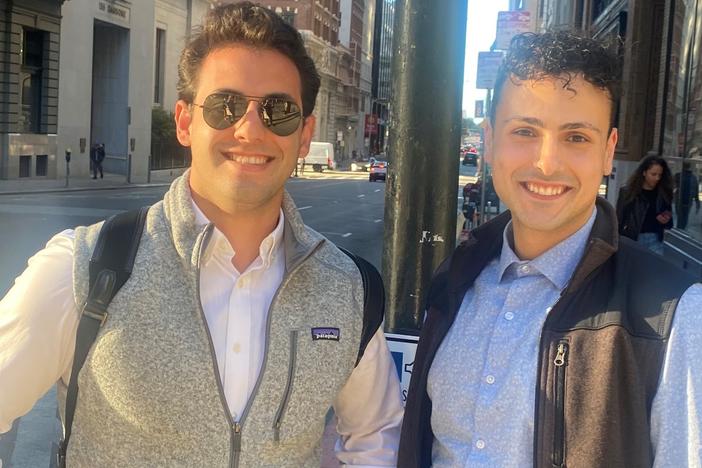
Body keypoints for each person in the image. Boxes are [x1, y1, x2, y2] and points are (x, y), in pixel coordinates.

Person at [0, 3, 403, 467]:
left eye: (279, 111)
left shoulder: (351, 290)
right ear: (186, 122)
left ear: (305, 134)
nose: (250, 129)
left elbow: (376, 438)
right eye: (225, 106)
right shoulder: (87, 266)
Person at [399, 31, 702, 467]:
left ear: (607, 152)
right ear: (489, 141)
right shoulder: (455, 279)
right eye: (525, 130)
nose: (546, 163)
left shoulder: (674, 316)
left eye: (576, 137)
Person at [616, 155, 673, 254]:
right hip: (633, 239)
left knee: (654, 268)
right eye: (653, 174)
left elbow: (669, 223)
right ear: (644, 172)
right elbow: (619, 218)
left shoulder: (663, 193)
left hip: (655, 240)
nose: (657, 178)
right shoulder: (628, 192)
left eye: (660, 175)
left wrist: (665, 219)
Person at [673, 160, 700, 229]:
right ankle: (681, 229)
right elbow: (696, 191)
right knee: (684, 217)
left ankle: (680, 229)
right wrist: (697, 202)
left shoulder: (678, 175)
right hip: (688, 200)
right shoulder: (693, 177)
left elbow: (672, 187)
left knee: (680, 216)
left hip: (680, 200)